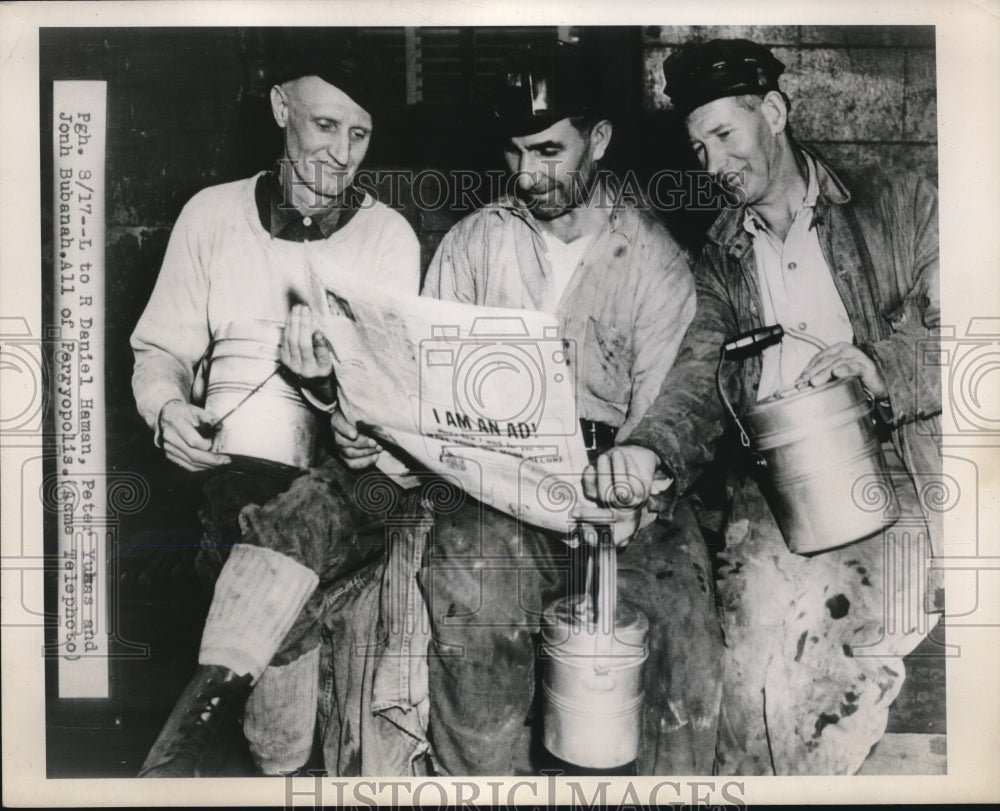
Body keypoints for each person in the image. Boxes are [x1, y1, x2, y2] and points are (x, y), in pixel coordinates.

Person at [585, 38, 943, 775]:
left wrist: (878, 367)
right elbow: (698, 373)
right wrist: (650, 449)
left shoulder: (898, 200)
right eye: (697, 147)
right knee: (748, 674)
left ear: (774, 112)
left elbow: (978, 339)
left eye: (723, 136)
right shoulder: (721, 257)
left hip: (897, 479)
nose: (712, 164)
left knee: (826, 668)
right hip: (780, 488)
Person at [416, 40, 722, 776]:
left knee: (679, 627)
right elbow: (426, 383)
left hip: (619, 500)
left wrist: (634, 485)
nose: (528, 174)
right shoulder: (473, 245)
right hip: (496, 490)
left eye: (550, 151)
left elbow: (663, 412)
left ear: (601, 140)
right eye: (516, 152)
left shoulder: (654, 261)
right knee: (474, 606)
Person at [131, 40, 420, 776]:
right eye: (324, 126)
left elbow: (391, 431)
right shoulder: (211, 216)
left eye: (359, 136)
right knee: (256, 527)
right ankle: (276, 758)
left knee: (284, 525)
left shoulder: (387, 238)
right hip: (237, 477)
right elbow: (158, 350)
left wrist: (330, 396)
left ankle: (195, 746)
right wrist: (168, 408)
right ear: (280, 108)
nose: (341, 155)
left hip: (360, 481)